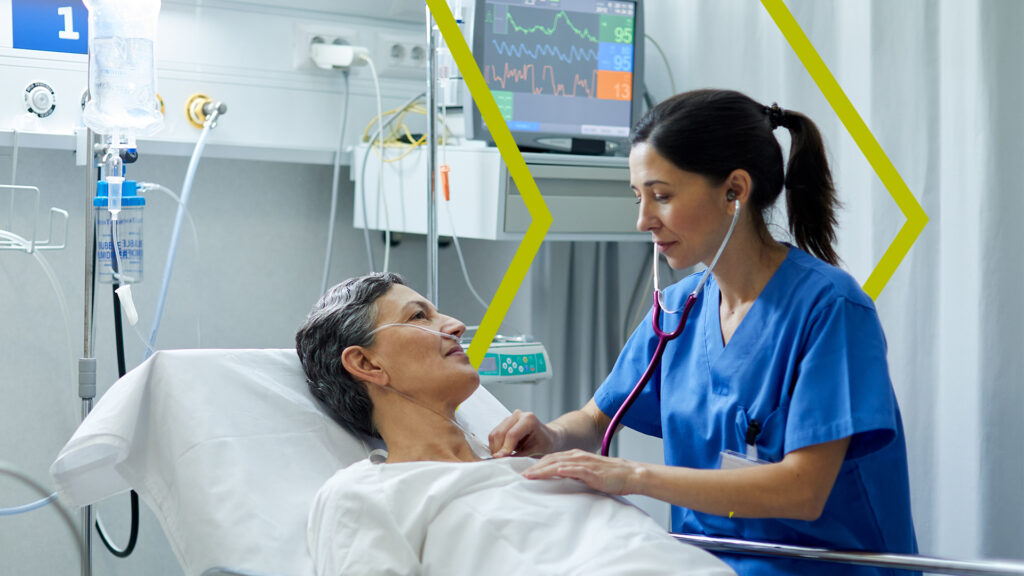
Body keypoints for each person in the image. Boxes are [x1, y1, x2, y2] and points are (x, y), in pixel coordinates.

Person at [488, 89, 919, 576]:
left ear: (734, 191)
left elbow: (803, 490)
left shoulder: (830, 310)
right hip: (703, 565)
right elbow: (594, 420)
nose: (642, 220)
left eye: (662, 196)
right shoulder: (676, 309)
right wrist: (550, 435)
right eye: (639, 197)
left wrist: (633, 476)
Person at [295, 273, 734, 576]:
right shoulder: (365, 494)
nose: (455, 324)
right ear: (366, 362)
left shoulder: (542, 468)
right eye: (418, 317)